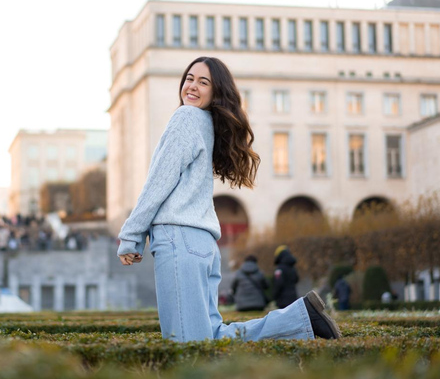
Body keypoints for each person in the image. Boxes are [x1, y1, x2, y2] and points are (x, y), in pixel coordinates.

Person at [117, 56, 340, 342]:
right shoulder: (206, 123)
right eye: (189, 78)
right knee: (208, 337)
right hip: (202, 245)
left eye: (203, 82)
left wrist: (131, 234)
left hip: (179, 240)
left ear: (215, 91)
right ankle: (301, 318)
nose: (193, 86)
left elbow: (159, 182)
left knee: (188, 345)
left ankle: (299, 319)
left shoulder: (186, 118)